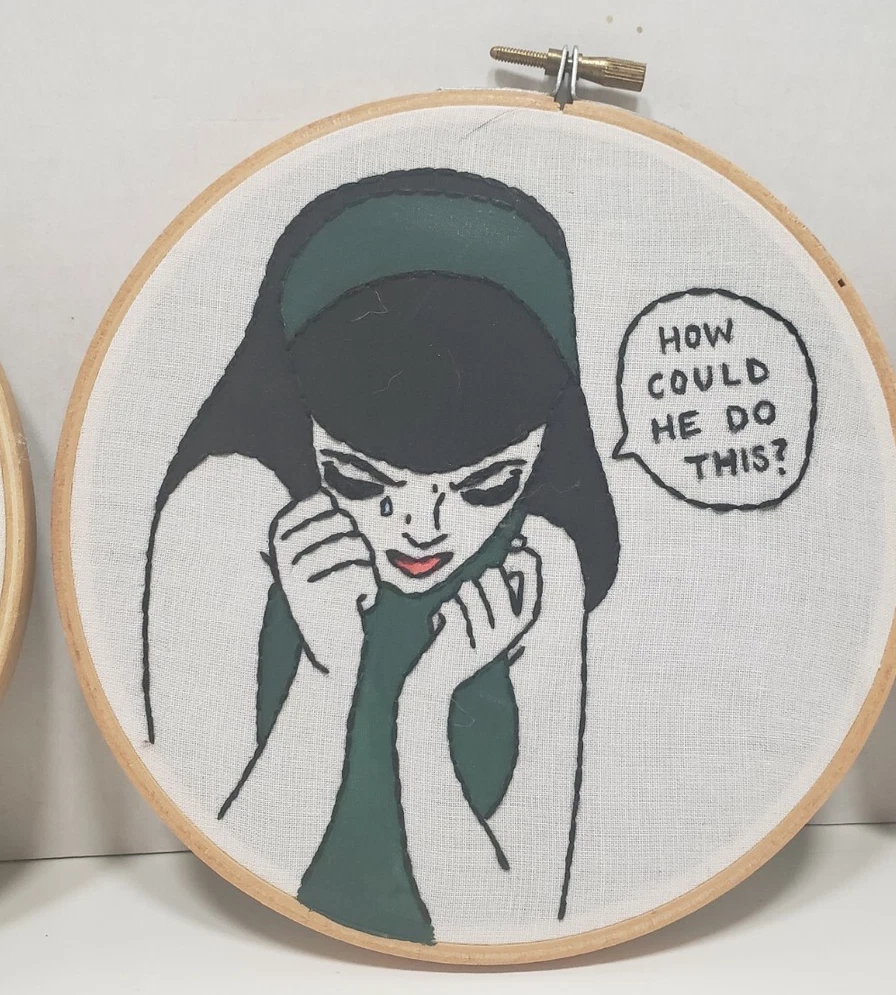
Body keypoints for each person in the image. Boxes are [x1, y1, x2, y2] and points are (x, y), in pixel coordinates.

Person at [144, 169, 620, 943]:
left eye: (488, 485)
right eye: (361, 479)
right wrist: (326, 672)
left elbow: (517, 916)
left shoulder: (538, 562)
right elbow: (228, 847)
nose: (422, 529)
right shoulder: (229, 508)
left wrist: (425, 704)